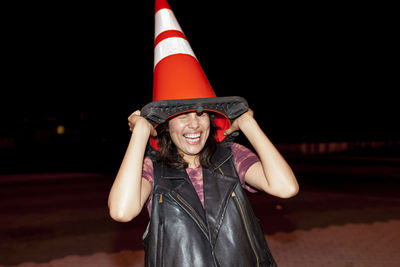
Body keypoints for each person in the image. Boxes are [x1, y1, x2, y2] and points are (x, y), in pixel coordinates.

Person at [108, 107, 299, 267]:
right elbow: (121, 211)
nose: (194, 124)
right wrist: (140, 132)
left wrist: (249, 124)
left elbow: (285, 187)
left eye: (201, 114)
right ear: (166, 125)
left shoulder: (232, 156)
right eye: (182, 115)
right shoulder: (153, 169)